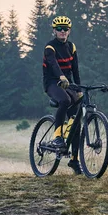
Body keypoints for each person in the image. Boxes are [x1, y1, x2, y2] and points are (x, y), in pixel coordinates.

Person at [42, 15, 83, 175]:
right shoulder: (50, 48)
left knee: (77, 122)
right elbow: (53, 64)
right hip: (52, 83)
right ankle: (58, 135)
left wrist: (79, 89)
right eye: (59, 29)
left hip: (68, 83)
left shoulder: (72, 47)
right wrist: (61, 76)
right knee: (65, 100)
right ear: (54, 30)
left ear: (69, 31)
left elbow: (75, 70)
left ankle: (74, 160)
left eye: (65, 29)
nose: (62, 31)